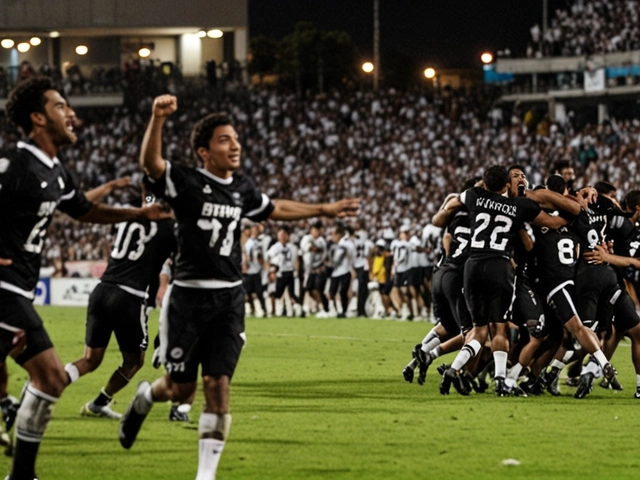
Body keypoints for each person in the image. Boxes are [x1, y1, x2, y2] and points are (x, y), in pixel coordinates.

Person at [118, 94, 359, 480]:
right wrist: (157, 119)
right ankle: (147, 396)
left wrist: (323, 209)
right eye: (224, 140)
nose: (235, 145)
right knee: (179, 390)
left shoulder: (242, 187)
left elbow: (273, 207)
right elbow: (150, 163)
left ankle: (205, 475)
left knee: (217, 386)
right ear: (204, 151)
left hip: (230, 297)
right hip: (188, 299)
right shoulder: (185, 180)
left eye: (236, 139)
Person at [0, 76, 169, 480]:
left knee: (51, 378)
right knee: (47, 376)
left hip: (18, 290)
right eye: (60, 106)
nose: (71, 113)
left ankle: (22, 470)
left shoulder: (55, 171)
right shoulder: (15, 163)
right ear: (38, 118)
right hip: (4, 289)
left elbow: (83, 211)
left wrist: (137, 213)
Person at [64, 183, 177, 419]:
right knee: (135, 361)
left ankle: (46, 384)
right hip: (128, 296)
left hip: (102, 289)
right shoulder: (168, 227)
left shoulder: (128, 216)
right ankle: (98, 404)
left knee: (90, 359)